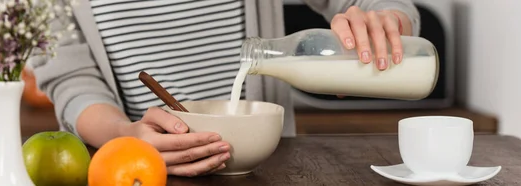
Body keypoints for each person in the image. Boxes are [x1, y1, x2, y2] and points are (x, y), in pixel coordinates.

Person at [31, 0, 420, 177]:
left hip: (268, 171)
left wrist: (385, 19)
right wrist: (124, 134)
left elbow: (365, 2)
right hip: (139, 170)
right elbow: (70, 79)